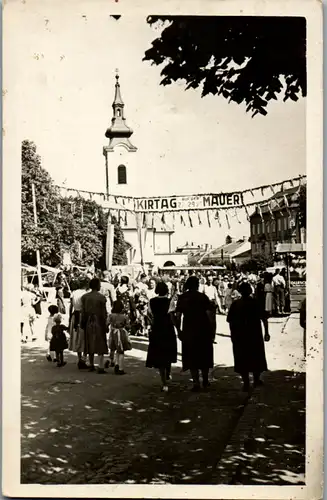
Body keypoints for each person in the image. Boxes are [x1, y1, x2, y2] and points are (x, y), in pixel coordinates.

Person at [174, 276, 214, 392]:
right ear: (197, 285)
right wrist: (212, 330)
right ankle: (205, 380)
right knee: (204, 354)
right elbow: (209, 315)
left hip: (189, 329)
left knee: (192, 356)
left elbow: (178, 316)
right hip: (203, 328)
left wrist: (179, 331)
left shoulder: (183, 298)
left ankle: (196, 383)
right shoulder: (203, 297)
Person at [227, 282, 268, 391]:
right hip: (254, 333)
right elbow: (264, 318)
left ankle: (246, 382)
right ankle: (256, 379)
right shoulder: (256, 303)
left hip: (240, 334)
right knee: (256, 356)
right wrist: (267, 332)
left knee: (242, 358)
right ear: (250, 291)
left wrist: (232, 334)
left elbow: (230, 321)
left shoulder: (236, 304)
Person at [146, 281, 177, 392]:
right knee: (168, 352)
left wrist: (152, 324)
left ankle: (164, 382)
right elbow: (172, 316)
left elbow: (149, 315)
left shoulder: (152, 301)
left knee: (159, 355)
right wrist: (178, 328)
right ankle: (168, 372)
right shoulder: (170, 302)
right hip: (168, 328)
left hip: (157, 328)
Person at [81, 278, 108, 374]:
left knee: (89, 342)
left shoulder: (85, 297)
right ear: (97, 286)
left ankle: (91, 364)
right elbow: (104, 313)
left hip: (88, 321)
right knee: (100, 342)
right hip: (99, 322)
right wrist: (106, 324)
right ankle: (101, 366)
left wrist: (82, 323)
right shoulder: (101, 297)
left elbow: (83, 312)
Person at [69, 277, 89, 370]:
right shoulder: (86, 294)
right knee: (84, 337)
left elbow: (71, 306)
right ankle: (84, 359)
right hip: (83, 316)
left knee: (77, 336)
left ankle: (79, 357)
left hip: (75, 315)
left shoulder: (74, 293)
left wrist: (70, 317)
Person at [107, 300, 132, 375]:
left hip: (113, 332)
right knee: (120, 351)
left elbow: (107, 323)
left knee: (114, 348)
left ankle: (116, 364)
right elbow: (128, 326)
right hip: (121, 333)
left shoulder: (111, 316)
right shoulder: (124, 316)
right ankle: (120, 368)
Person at [203, 275, 219, 343]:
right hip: (206, 305)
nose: (210, 282)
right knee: (206, 321)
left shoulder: (214, 287)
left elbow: (216, 297)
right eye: (209, 280)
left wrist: (220, 307)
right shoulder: (204, 287)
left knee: (213, 322)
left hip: (212, 305)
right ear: (206, 280)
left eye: (211, 280)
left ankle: (212, 338)